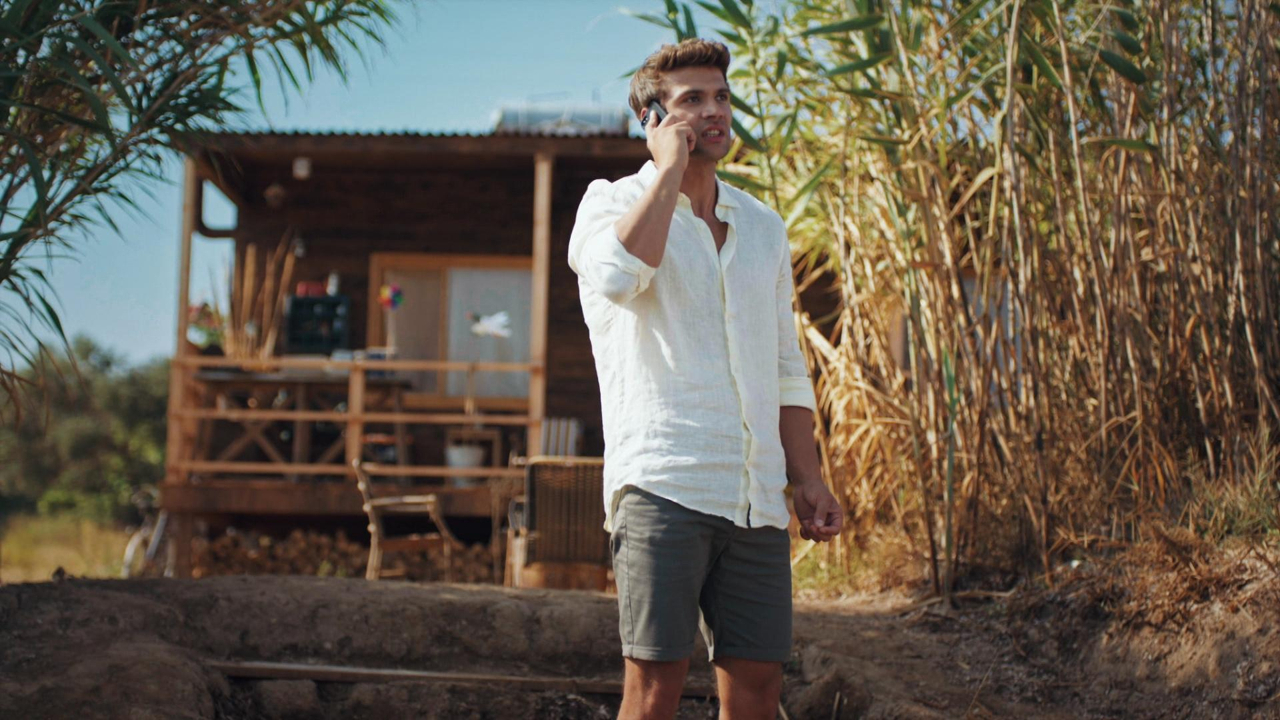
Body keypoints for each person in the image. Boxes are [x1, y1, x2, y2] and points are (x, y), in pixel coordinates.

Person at [568, 38, 844, 720]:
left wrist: (806, 478)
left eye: (721, 96)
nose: (715, 111)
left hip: (754, 497)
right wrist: (668, 173)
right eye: (692, 99)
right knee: (653, 690)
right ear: (652, 118)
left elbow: (784, 363)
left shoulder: (763, 227)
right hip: (663, 484)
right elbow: (618, 277)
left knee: (758, 688)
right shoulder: (609, 205)